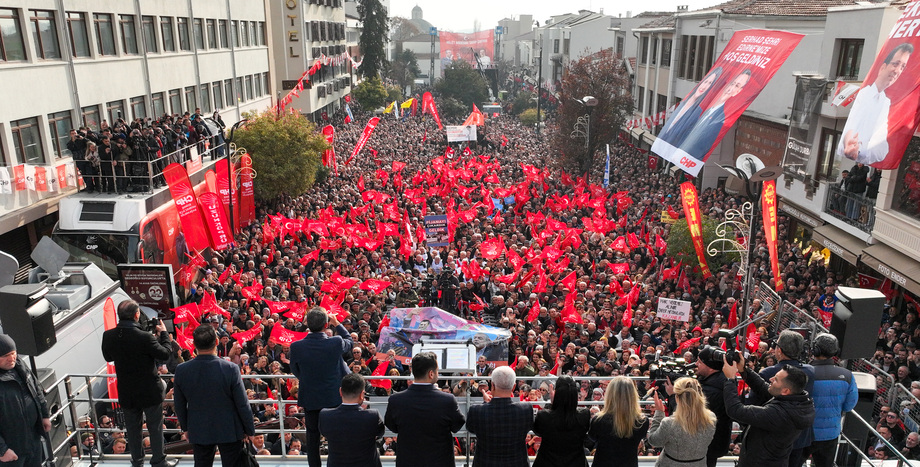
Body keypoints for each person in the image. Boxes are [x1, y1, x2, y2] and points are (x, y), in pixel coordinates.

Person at [100, 300, 176, 467]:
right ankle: (158, 461)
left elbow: (108, 357)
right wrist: (163, 334)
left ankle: (137, 462)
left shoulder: (109, 335)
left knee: (133, 430)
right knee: (155, 427)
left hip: (127, 391)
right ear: (136, 315)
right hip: (149, 390)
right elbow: (165, 354)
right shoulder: (145, 336)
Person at [173, 324, 255, 467]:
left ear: (194, 344)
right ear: (217, 342)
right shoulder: (231, 369)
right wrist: (249, 429)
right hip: (229, 429)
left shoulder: (182, 370)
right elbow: (242, 403)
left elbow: (179, 404)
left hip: (198, 428)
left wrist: (186, 428)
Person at [722, 357, 815, 467]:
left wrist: (730, 380)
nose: (770, 379)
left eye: (775, 379)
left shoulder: (780, 414)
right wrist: (744, 370)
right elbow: (763, 388)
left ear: (786, 391)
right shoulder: (796, 400)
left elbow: (735, 410)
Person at [289, 306, 353, 467]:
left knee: (312, 439)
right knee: (335, 437)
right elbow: (350, 341)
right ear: (326, 324)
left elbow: (296, 371)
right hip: (333, 398)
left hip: (310, 398)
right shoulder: (335, 342)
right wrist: (337, 323)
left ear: (307, 324)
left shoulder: (296, 346)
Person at [384, 352, 465, 467]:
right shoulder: (447, 400)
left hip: (408, 461)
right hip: (439, 462)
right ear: (431, 374)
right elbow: (457, 426)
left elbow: (392, 426)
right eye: (437, 370)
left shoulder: (396, 400)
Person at [838, 43, 913, 164]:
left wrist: (860, 148)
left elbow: (882, 150)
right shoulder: (864, 94)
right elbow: (852, 126)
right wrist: (851, 142)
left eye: (902, 67)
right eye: (895, 64)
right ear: (883, 67)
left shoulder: (885, 102)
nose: (897, 71)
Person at [754, 330, 815, 466]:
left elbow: (752, 402)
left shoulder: (767, 373)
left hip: (773, 439)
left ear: (779, 351)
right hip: (800, 438)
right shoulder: (810, 371)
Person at [796, 333, 857, 467]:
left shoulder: (802, 372)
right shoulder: (847, 375)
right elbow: (849, 406)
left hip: (803, 434)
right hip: (830, 435)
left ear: (814, 349)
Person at [466, 366, 534, 466]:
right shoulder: (526, 409)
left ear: (492, 385)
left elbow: (470, 428)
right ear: (514, 387)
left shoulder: (476, 410)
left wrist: (486, 404)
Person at [0, 334, 51, 467]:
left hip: (32, 439)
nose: (11, 358)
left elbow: (36, 389)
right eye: (5, 356)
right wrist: (2, 450)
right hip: (10, 449)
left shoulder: (19, 365)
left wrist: (44, 415)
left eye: (13, 353)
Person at [679, 69, 752, 159]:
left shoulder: (720, 120)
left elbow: (703, 147)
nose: (730, 89)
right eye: (732, 83)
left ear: (738, 91)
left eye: (736, 86)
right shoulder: (705, 109)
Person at [319, 373, 385, 467]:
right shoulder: (373, 416)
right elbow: (379, 434)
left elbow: (324, 433)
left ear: (340, 391)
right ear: (362, 394)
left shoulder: (325, 415)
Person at [648, 378, 716, 467]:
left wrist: (659, 413)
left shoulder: (669, 423)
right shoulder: (711, 418)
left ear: (677, 398)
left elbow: (654, 441)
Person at [588, 375, 650, 467]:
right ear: (633, 395)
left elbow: (592, 437)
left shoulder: (598, 420)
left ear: (610, 394)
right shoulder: (642, 421)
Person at [532, 375, 591, 467]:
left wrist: (553, 404)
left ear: (557, 394)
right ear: (575, 394)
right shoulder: (584, 415)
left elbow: (538, 432)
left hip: (547, 462)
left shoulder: (544, 416)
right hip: (576, 463)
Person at [657, 67, 723, 147]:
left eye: (710, 84)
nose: (705, 86)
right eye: (706, 81)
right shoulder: (682, 104)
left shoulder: (698, 113)